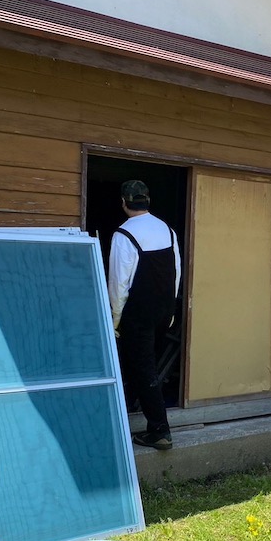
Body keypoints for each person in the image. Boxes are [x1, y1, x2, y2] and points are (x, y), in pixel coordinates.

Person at [108, 180, 181, 450]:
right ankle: (139, 418)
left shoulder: (123, 234)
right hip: (162, 313)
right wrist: (170, 311)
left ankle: (160, 431)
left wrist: (114, 320)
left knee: (142, 369)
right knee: (144, 367)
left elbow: (118, 285)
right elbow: (176, 272)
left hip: (136, 315)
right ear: (148, 201)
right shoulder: (168, 231)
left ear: (124, 203)